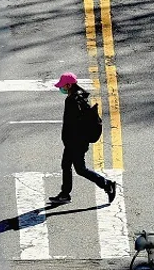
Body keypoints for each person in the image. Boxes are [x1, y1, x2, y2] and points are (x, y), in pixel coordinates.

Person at [48, 72, 117, 205]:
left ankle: (107, 184)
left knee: (80, 169)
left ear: (69, 85)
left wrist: (69, 140)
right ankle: (65, 194)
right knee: (66, 165)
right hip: (74, 141)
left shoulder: (73, 100)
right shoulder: (79, 97)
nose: (61, 88)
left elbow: (71, 124)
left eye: (63, 86)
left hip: (76, 142)